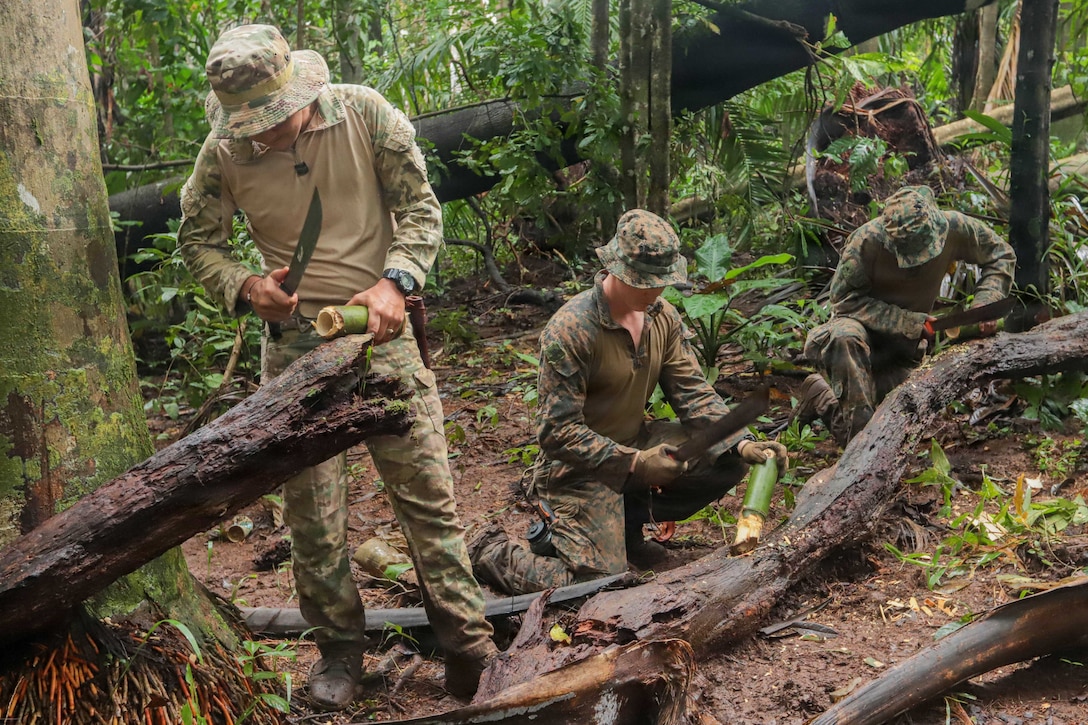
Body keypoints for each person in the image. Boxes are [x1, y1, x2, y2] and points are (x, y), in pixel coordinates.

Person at [177, 25, 497, 710]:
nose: (260, 134)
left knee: (426, 497)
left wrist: (395, 282)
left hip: (383, 334)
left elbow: (420, 209)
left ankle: (468, 646)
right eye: (247, 125)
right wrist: (245, 286)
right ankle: (339, 655)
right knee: (311, 516)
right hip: (294, 346)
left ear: (299, 91)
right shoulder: (224, 150)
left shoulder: (364, 114)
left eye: (270, 118)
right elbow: (198, 243)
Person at [469, 209, 788, 596]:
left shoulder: (662, 318)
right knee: (599, 585)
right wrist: (635, 463)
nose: (657, 291)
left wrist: (741, 442)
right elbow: (557, 432)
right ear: (617, 271)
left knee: (727, 457)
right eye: (647, 282)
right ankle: (492, 552)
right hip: (577, 471)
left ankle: (625, 526)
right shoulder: (571, 330)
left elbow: (692, 392)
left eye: (663, 282)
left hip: (636, 444)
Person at [798, 185, 1016, 446]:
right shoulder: (866, 242)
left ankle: (820, 395)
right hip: (858, 341)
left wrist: (986, 300)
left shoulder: (955, 227)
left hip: (902, 351)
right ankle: (861, 452)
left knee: (904, 413)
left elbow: (1000, 254)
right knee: (866, 431)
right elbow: (845, 301)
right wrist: (909, 322)